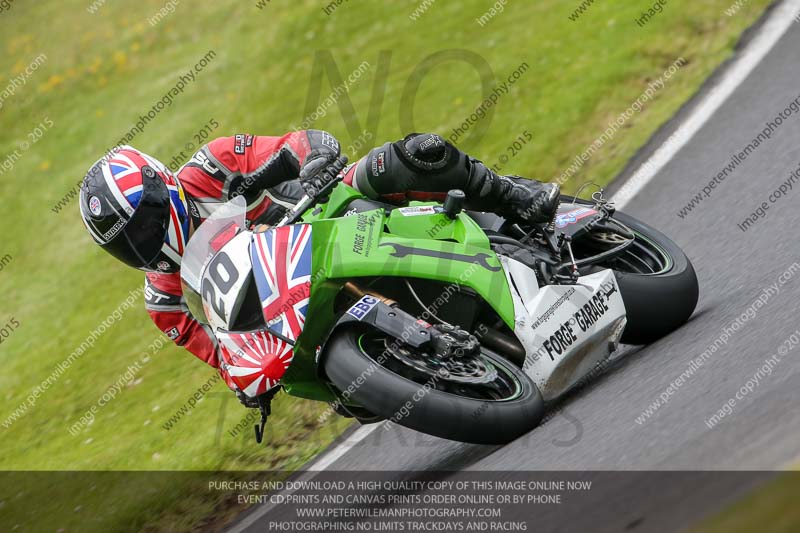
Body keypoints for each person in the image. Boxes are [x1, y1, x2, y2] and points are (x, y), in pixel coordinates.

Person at [79, 131, 559, 407]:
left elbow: (302, 141)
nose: (145, 241)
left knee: (413, 154)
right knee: (337, 395)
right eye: (129, 244)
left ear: (165, 186)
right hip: (290, 315)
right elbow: (220, 355)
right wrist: (245, 386)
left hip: (328, 217)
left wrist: (316, 162)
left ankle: (518, 197)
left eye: (144, 223)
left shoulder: (214, 164)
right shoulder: (163, 300)